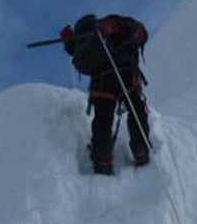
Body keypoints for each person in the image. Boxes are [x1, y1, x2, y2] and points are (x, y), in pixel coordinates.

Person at [60, 14, 151, 175]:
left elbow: (78, 55)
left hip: (101, 83)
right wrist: (114, 26)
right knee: (136, 108)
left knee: (102, 118)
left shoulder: (86, 41)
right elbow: (139, 32)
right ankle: (140, 149)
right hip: (127, 75)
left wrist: (69, 42)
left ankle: (102, 158)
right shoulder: (113, 25)